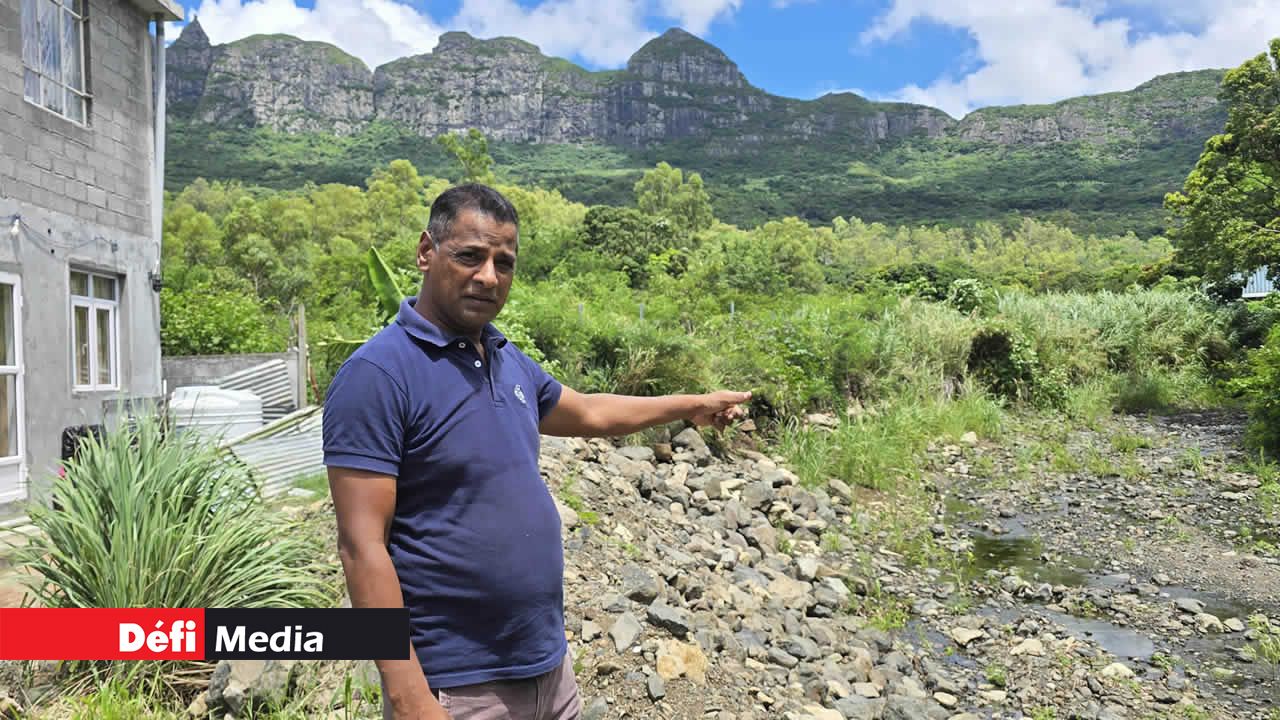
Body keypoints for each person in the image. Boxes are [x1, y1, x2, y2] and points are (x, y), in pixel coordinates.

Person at [322, 183, 751, 720]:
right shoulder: (379, 375)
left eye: (504, 262)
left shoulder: (506, 359)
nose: (488, 277)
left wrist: (692, 404)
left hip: (548, 670)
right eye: (470, 256)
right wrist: (409, 695)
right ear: (426, 251)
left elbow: (591, 413)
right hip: (456, 686)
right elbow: (361, 547)